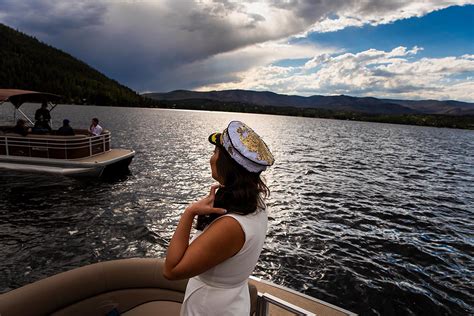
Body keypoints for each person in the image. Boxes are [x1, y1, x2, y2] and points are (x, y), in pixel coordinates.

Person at [164, 121, 275, 316]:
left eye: (215, 153)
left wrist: (189, 213)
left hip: (210, 307)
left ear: (227, 165)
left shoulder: (230, 225)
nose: (211, 158)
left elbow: (171, 270)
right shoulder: (256, 204)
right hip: (231, 301)